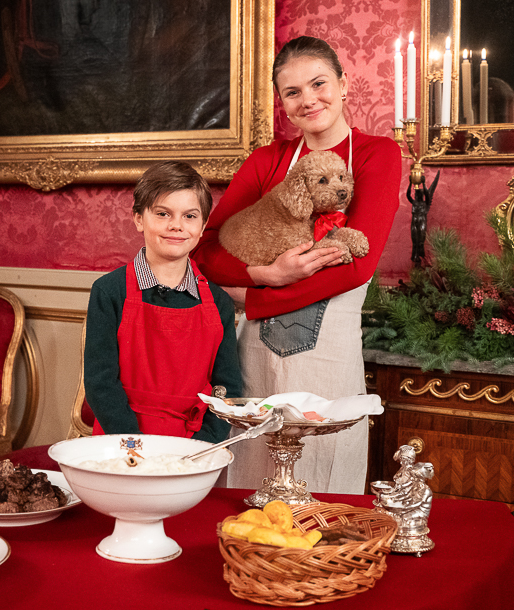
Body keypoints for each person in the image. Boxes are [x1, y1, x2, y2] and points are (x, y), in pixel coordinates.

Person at [191, 36, 402, 493]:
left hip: (328, 359)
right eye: (292, 92)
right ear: (282, 104)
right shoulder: (268, 162)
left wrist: (256, 299)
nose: (309, 100)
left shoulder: (376, 155)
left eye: (319, 83)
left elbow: (355, 267)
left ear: (344, 85)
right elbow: (206, 251)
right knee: (252, 482)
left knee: (325, 489)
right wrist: (266, 275)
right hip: (254, 362)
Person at [83, 161, 243, 444]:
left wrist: (201, 446)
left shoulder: (219, 303)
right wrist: (135, 444)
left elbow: (226, 388)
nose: (177, 226)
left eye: (190, 216)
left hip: (193, 446)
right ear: (138, 219)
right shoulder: (109, 292)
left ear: (203, 225)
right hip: (121, 442)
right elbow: (100, 383)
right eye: (162, 213)